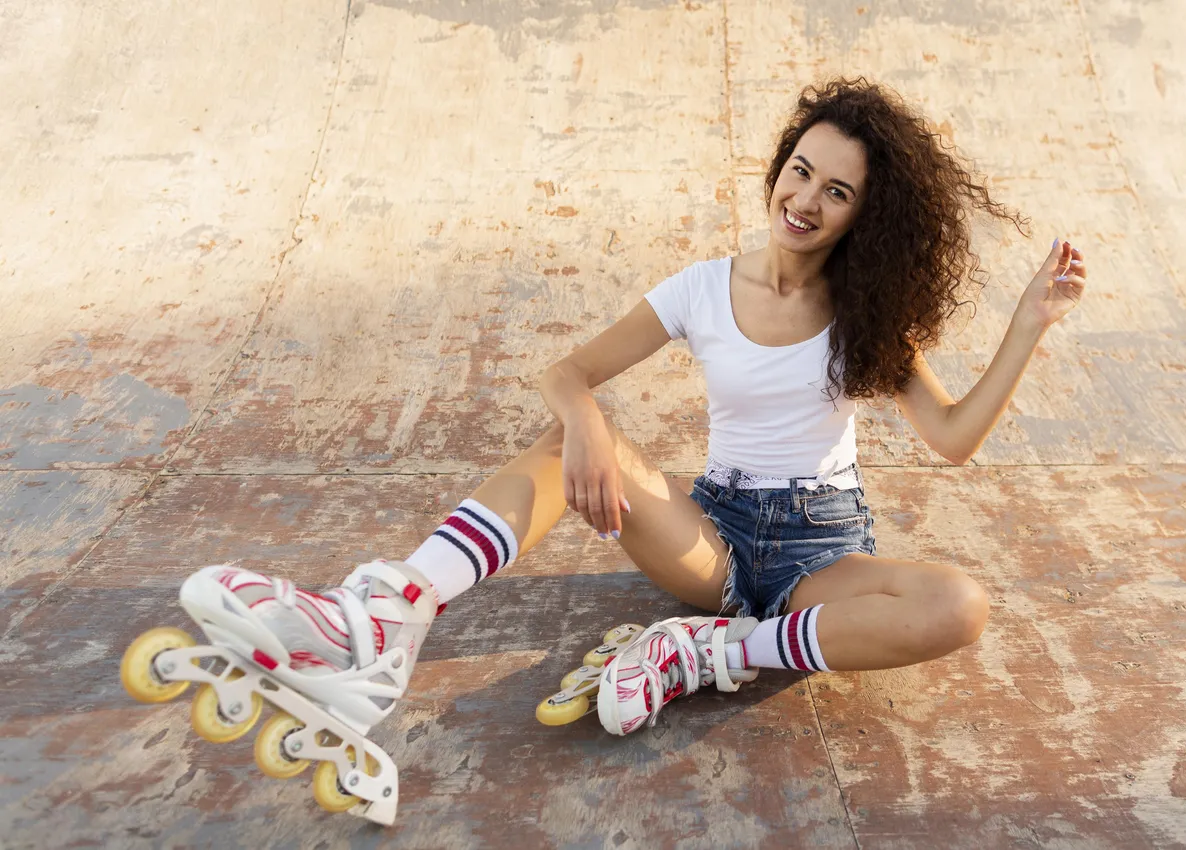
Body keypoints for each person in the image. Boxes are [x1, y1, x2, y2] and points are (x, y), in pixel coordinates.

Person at [121, 76, 1088, 820]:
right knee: (564, 441)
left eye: (838, 192)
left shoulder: (864, 317)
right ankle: (382, 621)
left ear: (861, 216)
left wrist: (1028, 325)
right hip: (711, 537)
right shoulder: (702, 288)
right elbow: (568, 372)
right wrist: (587, 422)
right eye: (800, 169)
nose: (806, 198)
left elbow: (953, 438)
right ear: (779, 164)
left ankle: (715, 653)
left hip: (821, 558)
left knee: (959, 606)